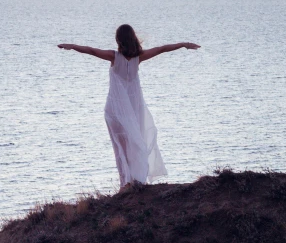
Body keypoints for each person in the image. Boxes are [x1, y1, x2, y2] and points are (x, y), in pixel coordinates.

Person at [58, 24, 200, 189]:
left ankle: (128, 182)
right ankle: (129, 181)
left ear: (118, 40)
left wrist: (72, 46)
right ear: (133, 38)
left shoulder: (115, 56)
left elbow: (91, 50)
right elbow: (163, 48)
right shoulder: (138, 57)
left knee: (123, 147)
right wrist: (183, 44)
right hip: (129, 109)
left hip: (118, 109)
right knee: (132, 143)